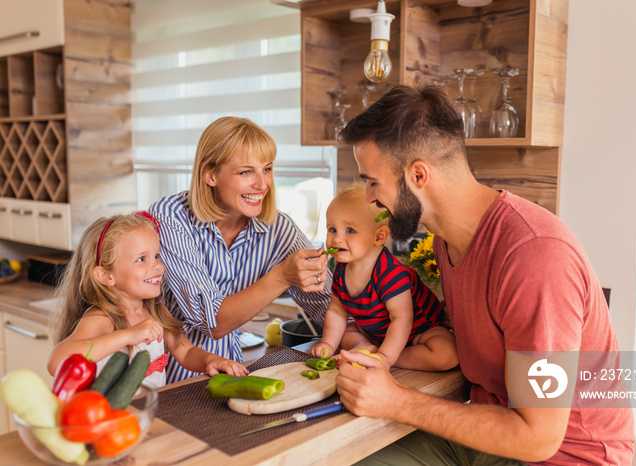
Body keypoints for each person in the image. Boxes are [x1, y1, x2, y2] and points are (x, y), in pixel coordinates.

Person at [334, 85, 635, 465]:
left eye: (373, 181)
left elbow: (538, 438)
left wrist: (396, 399)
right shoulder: (446, 241)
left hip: (565, 455)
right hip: (487, 436)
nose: (368, 197)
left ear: (418, 176)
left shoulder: (534, 256)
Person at [149, 116, 332, 382]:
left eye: (267, 169)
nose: (262, 184)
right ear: (210, 174)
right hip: (164, 373)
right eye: (246, 172)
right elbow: (213, 322)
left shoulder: (278, 228)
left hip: (230, 370)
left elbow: (329, 305)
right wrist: (281, 277)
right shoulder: (170, 217)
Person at [48, 213, 248, 388]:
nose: (158, 267)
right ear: (107, 276)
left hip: (150, 411)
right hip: (111, 419)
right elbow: (57, 362)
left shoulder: (155, 309)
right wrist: (127, 336)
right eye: (142, 259)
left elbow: (184, 351)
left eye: (157, 256)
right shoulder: (102, 318)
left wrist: (210, 360)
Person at [309, 185, 457, 371]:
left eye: (350, 230)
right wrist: (328, 344)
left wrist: (385, 358)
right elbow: (337, 312)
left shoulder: (391, 273)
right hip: (376, 332)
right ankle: (364, 347)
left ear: (378, 237)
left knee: (446, 354)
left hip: (419, 331)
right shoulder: (340, 269)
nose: (337, 239)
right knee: (343, 333)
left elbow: (402, 319)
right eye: (332, 229)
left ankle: (384, 355)